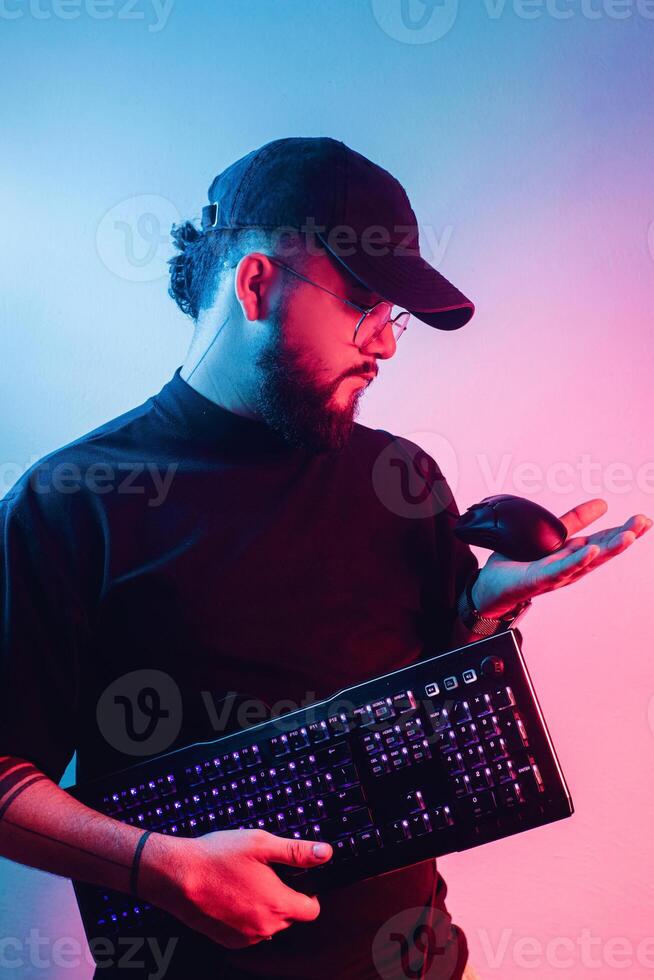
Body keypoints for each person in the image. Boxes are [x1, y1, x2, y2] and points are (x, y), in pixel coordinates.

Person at [0, 137, 650, 980]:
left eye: (396, 317)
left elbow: (427, 695)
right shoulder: (71, 500)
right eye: (364, 304)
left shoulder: (402, 475)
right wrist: (152, 866)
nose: (386, 344)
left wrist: (483, 607)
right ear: (257, 284)